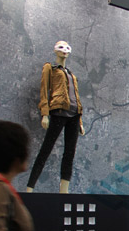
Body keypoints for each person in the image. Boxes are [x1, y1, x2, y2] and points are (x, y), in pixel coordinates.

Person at [27, 40, 85, 194]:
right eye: (61, 47)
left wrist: (80, 121)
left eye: (67, 48)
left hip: (74, 114)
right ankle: (29, 189)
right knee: (46, 150)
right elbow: (44, 91)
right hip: (59, 111)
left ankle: (64, 191)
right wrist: (45, 114)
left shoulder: (71, 74)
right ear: (55, 51)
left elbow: (76, 97)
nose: (64, 50)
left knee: (70, 153)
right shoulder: (50, 69)